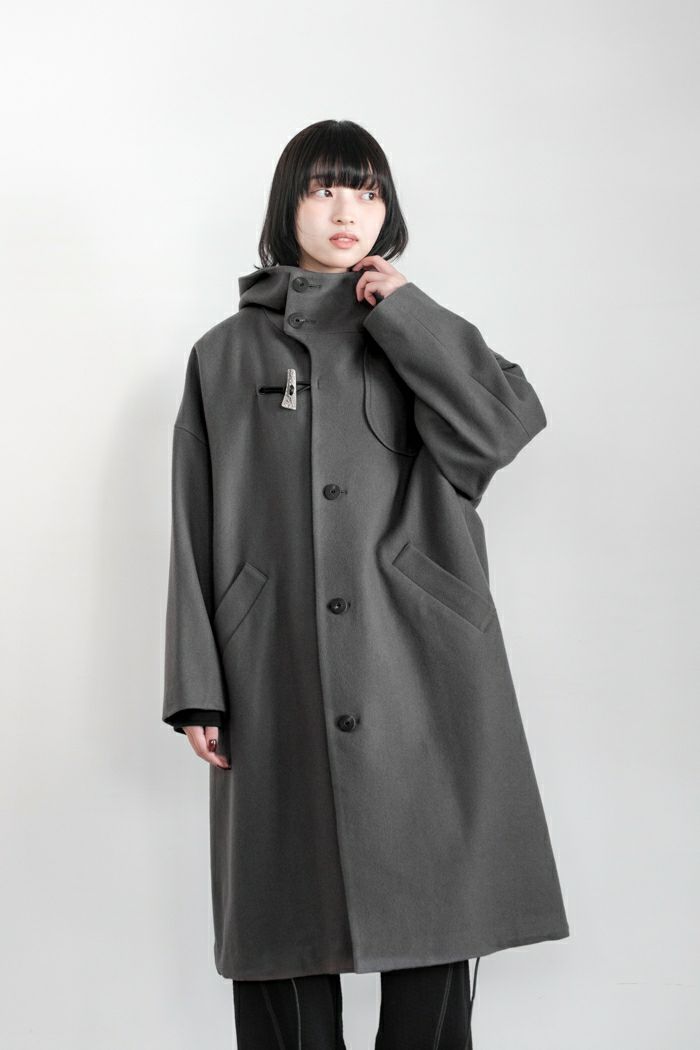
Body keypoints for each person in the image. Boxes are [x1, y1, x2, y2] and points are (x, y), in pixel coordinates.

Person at [162, 119, 569, 1049]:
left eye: (369, 191)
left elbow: (503, 427)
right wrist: (197, 685)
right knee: (280, 931)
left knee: (434, 924)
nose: (349, 210)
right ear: (288, 206)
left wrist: (412, 314)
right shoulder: (222, 355)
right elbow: (193, 519)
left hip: (419, 661)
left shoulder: (413, 335)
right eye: (325, 189)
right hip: (273, 667)